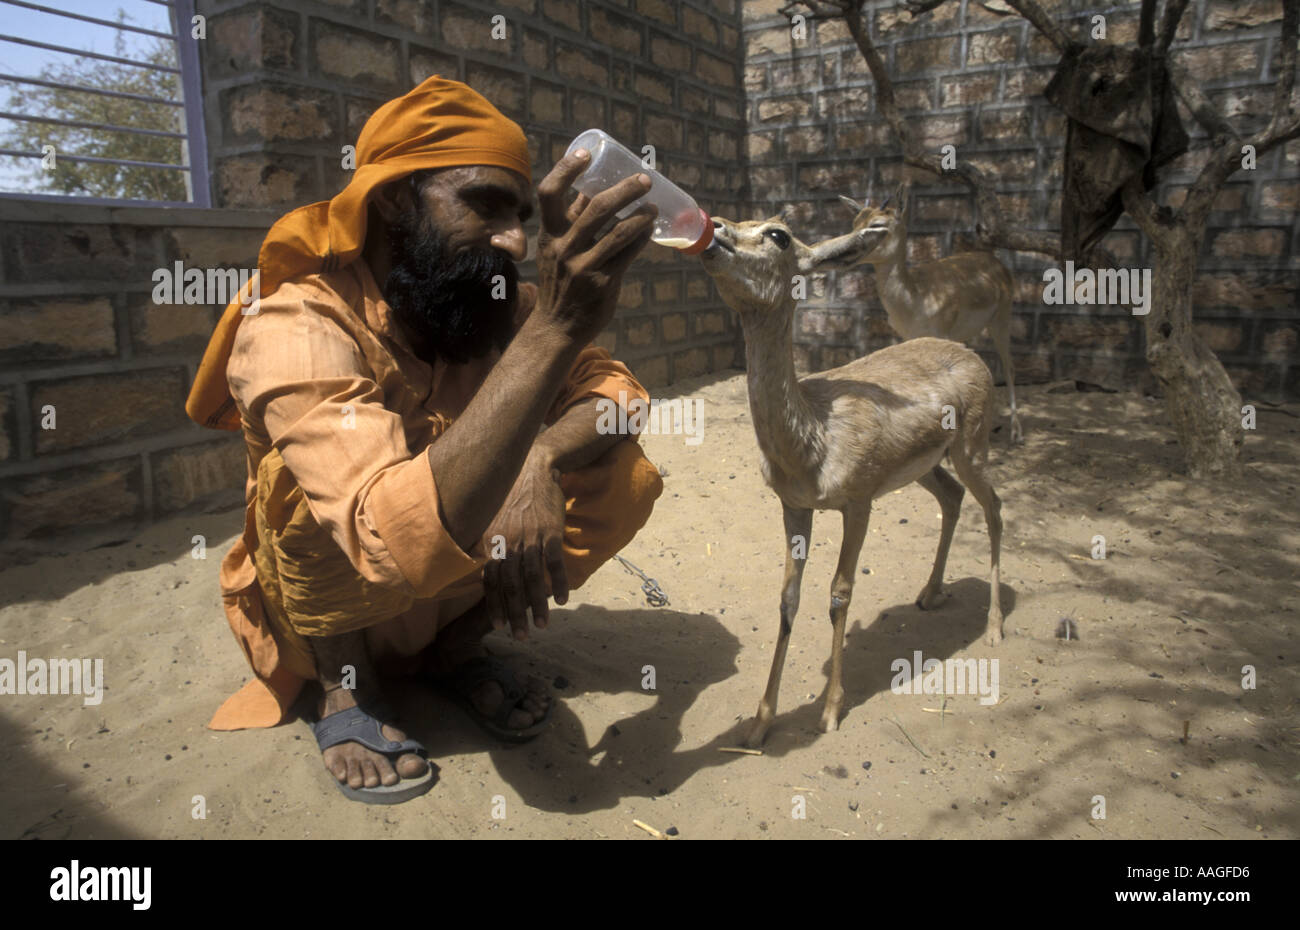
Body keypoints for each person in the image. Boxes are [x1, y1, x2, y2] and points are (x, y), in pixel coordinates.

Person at [185, 76, 664, 803]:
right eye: (484, 206)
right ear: (393, 201)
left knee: (621, 471)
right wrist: (558, 328)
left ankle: (454, 653)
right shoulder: (294, 325)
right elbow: (384, 535)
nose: (513, 240)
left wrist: (539, 455)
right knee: (295, 486)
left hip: (444, 593)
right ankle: (347, 694)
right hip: (333, 615)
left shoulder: (491, 302)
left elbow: (622, 397)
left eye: (523, 216)